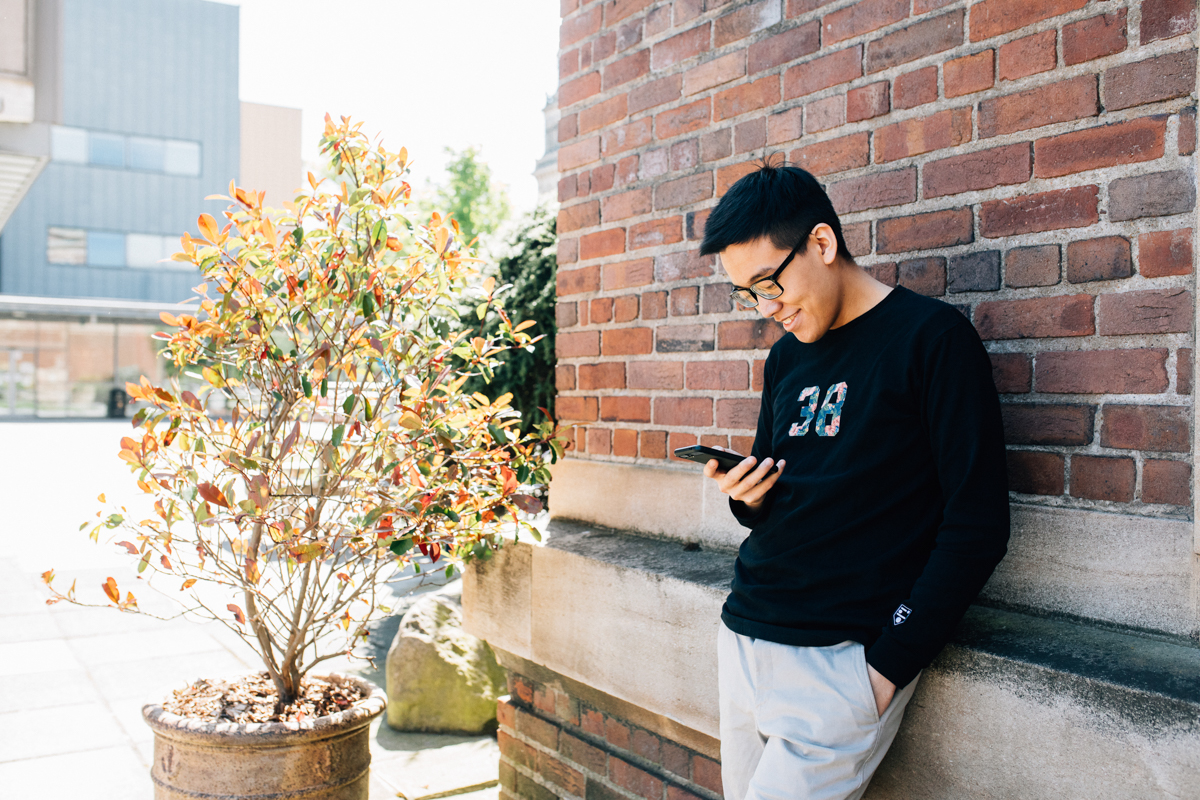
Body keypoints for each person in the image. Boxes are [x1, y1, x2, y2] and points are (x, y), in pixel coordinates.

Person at [698, 162, 1009, 800]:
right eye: (747, 294)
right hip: (745, 636)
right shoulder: (785, 357)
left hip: (838, 662)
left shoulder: (932, 340)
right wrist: (748, 499)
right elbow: (783, 489)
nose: (766, 308)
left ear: (821, 243)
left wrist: (888, 667)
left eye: (769, 283)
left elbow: (977, 525)